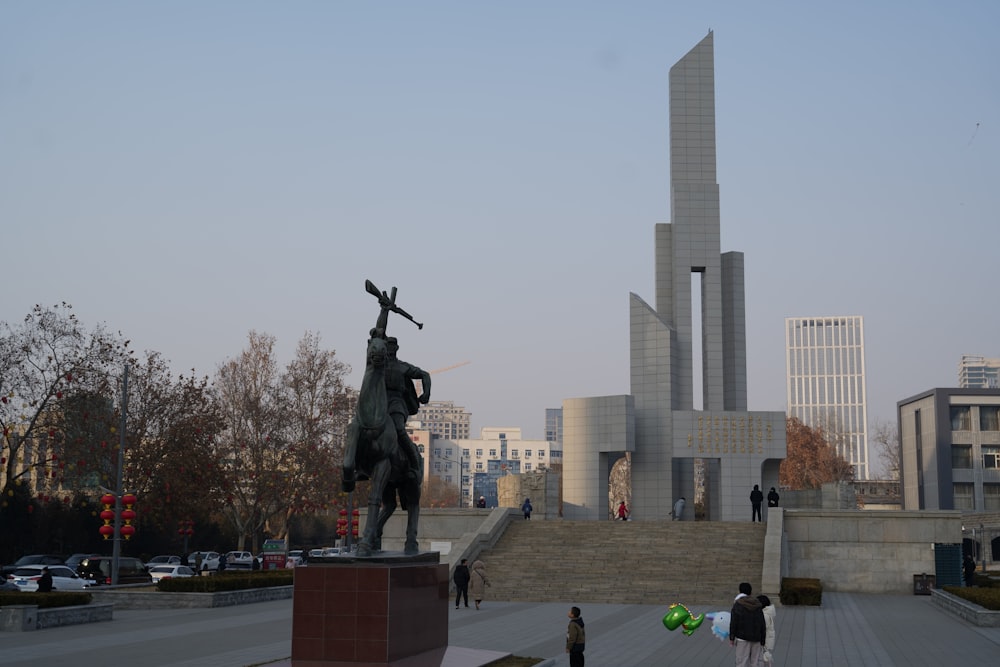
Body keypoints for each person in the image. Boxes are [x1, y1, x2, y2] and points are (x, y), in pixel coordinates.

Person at [384, 336, 431, 481]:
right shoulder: (377, 366)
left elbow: (425, 375)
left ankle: (414, 463)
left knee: (399, 429)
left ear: (396, 349)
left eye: (392, 347)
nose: (390, 349)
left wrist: (426, 394)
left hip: (397, 402)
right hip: (381, 401)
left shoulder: (403, 366)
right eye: (388, 346)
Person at [729, 582, 765, 667]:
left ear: (740, 591)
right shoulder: (757, 605)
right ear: (750, 592)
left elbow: (734, 623)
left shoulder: (738, 605)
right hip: (756, 638)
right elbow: (762, 623)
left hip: (742, 638)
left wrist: (732, 638)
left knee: (741, 662)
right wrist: (763, 639)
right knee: (755, 662)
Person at [758, 594, 776, 664]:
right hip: (766, 641)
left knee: (761, 660)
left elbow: (761, 629)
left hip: (764, 642)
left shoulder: (764, 615)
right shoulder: (767, 613)